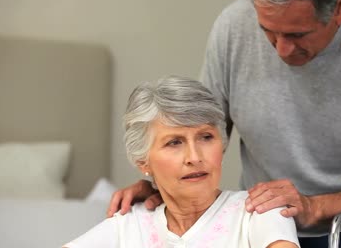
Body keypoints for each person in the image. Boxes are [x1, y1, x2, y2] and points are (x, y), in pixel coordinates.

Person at [108, 0, 341, 247]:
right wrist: (160, 183)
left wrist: (312, 207)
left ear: (338, 8)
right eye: (268, 30)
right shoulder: (232, 28)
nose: (280, 49)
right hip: (261, 225)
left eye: (297, 34)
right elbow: (204, 132)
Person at [64, 76, 300, 248]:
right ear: (142, 161)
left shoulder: (261, 210)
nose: (195, 157)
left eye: (206, 137)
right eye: (174, 142)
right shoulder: (129, 224)